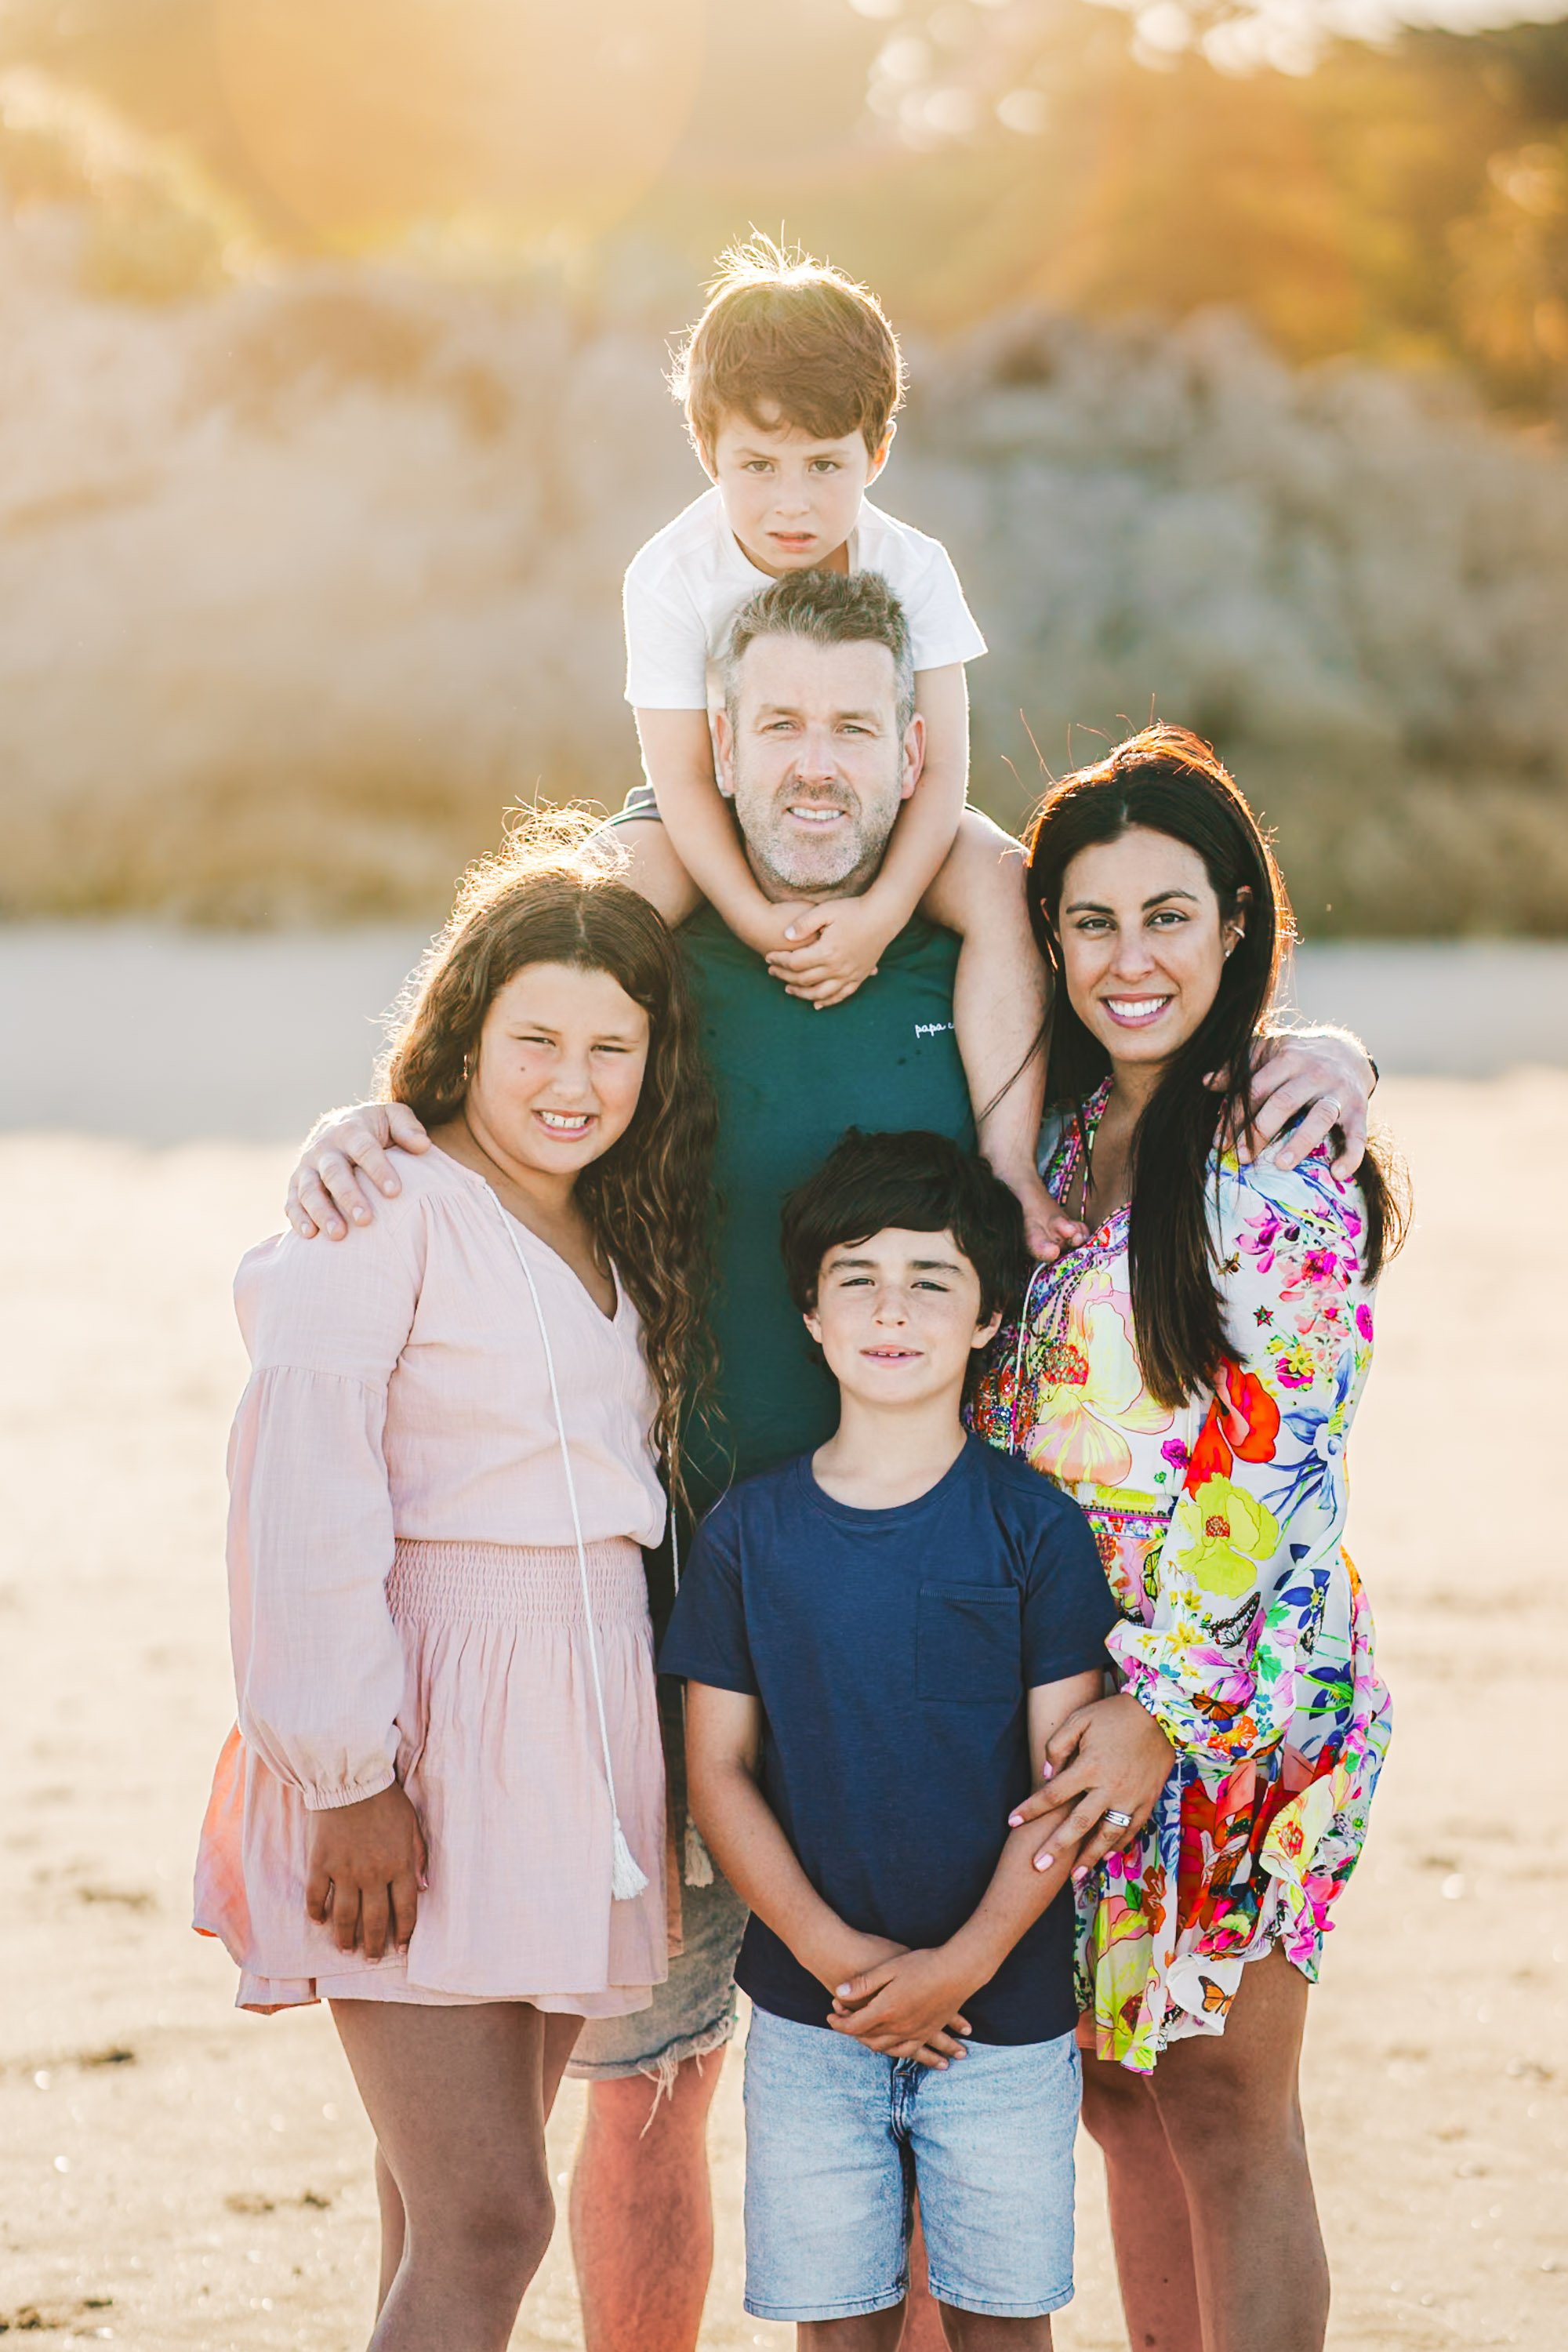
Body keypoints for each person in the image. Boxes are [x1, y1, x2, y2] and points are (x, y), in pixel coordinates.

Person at [280, 575, 1379, 2352]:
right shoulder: (643, 943)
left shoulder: (999, 944)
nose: (816, 763)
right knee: (649, 2097)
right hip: (664, 1617)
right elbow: (505, 1027)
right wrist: (375, 1115)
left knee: (996, 2087)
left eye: (856, 726)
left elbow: (1169, 1027)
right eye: (775, 724)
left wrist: (1321, 1050)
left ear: (915, 744)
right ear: (710, 744)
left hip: (1004, 1643)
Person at [192, 820, 716, 2352]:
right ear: (462, 1032)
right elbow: (300, 1487)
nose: (573, 1081)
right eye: (535, 1038)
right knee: (494, 2219)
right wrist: (349, 1773)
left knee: (434, 2209)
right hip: (420, 1716)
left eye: (611, 1048)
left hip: (574, 1722)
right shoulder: (388, 1201)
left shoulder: (611, 1222)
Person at [959, 726, 1403, 2352]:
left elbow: (1275, 1458)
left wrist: (1158, 1703)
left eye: (1166, 915)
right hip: (1065, 1685)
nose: (1128, 959)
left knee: (1220, 2104)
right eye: (1088, 922)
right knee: (1114, 2099)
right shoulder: (1050, 1143)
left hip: (1235, 1694)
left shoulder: (1280, 1158)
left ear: (1234, 923)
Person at [664, 1130, 1119, 2348]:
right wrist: (840, 1964)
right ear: (810, 1315)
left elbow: (1062, 1789)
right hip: (811, 2020)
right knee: (836, 2330)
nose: (893, 1307)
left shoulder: (1033, 1528)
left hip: (1005, 2015)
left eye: (933, 1279)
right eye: (857, 1277)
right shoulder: (750, 1531)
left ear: (984, 1319)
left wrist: (962, 1963)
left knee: (1004, 2329)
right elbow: (717, 1772)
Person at [621, 234, 1059, 1254]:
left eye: (827, 466)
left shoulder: (916, 565)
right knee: (601, 897)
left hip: (889, 803)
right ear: (707, 450)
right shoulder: (670, 572)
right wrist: (751, 913)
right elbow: (681, 777)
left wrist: (878, 916)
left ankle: (1007, 1169)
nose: (792, 502)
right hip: (713, 800)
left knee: (1003, 883)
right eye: (757, 466)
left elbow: (941, 769)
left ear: (877, 451)